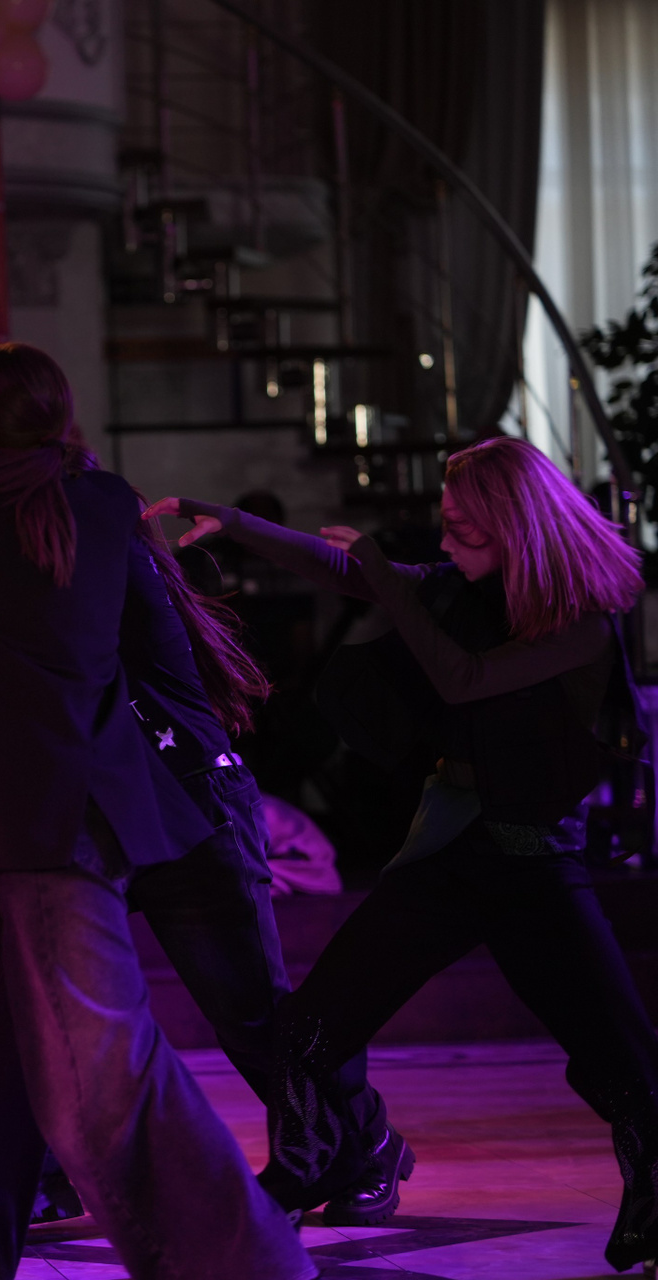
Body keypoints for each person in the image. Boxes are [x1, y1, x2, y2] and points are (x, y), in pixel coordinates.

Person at [0, 344, 313, 1279]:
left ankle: (243, 1260)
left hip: (53, 832)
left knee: (99, 1072)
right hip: (58, 821)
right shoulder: (93, 502)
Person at [149, 435, 658, 1272]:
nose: (445, 538)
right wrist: (234, 524)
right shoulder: (461, 588)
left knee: (623, 1059)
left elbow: (462, 678)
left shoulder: (582, 623)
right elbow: (347, 570)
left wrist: (384, 570)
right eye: (444, 522)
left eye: (463, 526)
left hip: (534, 863)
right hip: (450, 852)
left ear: (517, 527)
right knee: (311, 1027)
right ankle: (311, 1165)